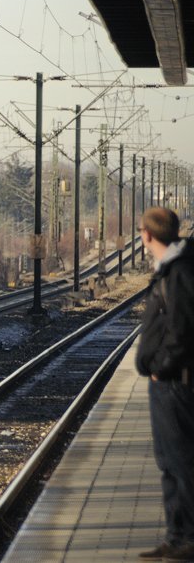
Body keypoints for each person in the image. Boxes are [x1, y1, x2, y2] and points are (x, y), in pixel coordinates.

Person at [137, 207, 194, 562]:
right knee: (168, 462)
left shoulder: (180, 272)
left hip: (176, 382)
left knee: (181, 462)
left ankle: (186, 537)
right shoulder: (173, 268)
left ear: (146, 235)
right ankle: (176, 537)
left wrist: (161, 366)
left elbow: (182, 330)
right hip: (168, 381)